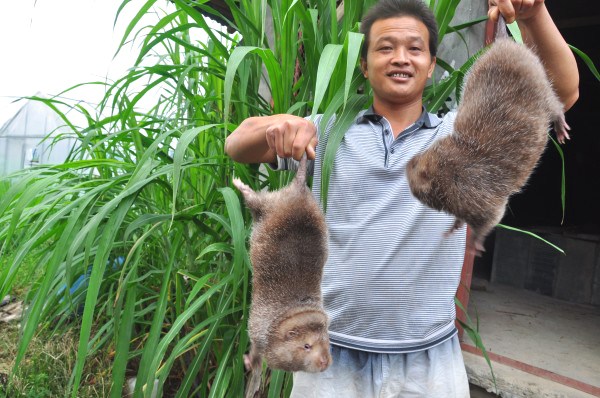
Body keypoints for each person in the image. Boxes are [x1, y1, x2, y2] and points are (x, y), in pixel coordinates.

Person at [225, 0, 579, 396]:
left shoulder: (457, 139)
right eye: (385, 47)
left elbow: (562, 93)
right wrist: (279, 126)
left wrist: (534, 14)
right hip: (332, 361)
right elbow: (236, 144)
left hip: (428, 364)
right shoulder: (325, 134)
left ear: (430, 65)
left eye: (414, 48)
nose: (400, 58)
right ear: (363, 65)